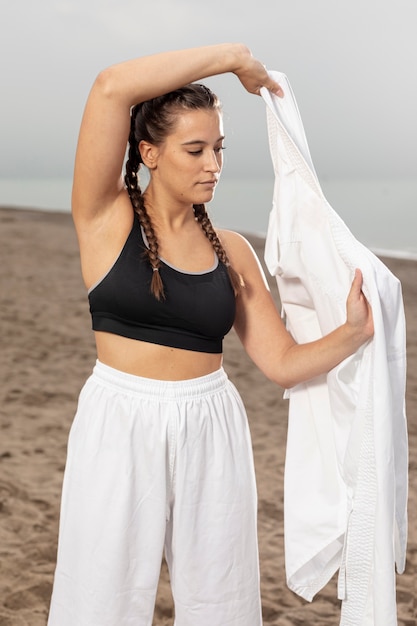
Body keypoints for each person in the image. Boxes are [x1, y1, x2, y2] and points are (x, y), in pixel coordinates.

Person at [47, 43, 374, 626]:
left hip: (212, 423)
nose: (212, 166)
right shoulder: (104, 218)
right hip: (119, 421)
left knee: (221, 602)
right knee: (98, 599)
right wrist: (231, 58)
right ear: (148, 152)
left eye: (219, 149)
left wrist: (351, 334)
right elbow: (109, 88)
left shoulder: (234, 252)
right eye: (195, 150)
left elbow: (280, 362)